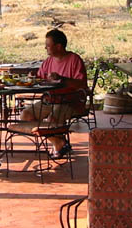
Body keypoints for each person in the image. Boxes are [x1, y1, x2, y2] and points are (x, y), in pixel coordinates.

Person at [20, 28, 87, 157]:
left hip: (70, 101)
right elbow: (40, 78)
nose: (45, 48)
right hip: (50, 100)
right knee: (26, 115)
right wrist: (33, 76)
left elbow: (81, 84)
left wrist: (62, 79)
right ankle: (58, 141)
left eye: (48, 45)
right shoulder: (49, 61)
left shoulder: (74, 60)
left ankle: (58, 143)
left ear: (58, 46)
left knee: (52, 119)